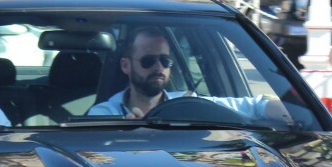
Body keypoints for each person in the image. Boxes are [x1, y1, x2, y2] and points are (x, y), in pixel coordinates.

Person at [88, 26, 287, 120]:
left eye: (165, 60)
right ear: (125, 65)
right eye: (148, 60)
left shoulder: (189, 104)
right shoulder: (103, 115)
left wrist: (294, 111)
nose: (159, 68)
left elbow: (253, 107)